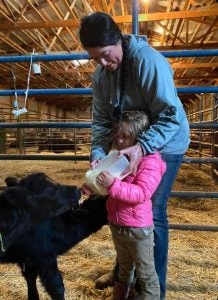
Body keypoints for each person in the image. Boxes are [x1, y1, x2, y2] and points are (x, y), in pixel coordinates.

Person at [79, 12, 190, 300]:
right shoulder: (102, 75)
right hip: (128, 143)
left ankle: (152, 288)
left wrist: (143, 147)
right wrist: (99, 153)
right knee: (120, 205)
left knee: (150, 212)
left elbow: (170, 116)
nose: (102, 64)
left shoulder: (147, 62)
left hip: (165, 142)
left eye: (105, 55)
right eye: (95, 59)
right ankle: (122, 274)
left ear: (118, 40)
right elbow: (102, 120)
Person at [95, 110, 166, 300]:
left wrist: (113, 184)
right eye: (117, 136)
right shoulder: (118, 158)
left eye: (125, 137)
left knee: (146, 274)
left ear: (139, 138)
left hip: (138, 230)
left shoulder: (151, 162)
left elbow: (142, 193)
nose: (119, 141)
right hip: (117, 225)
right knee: (123, 269)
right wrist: (95, 180)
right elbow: (107, 186)